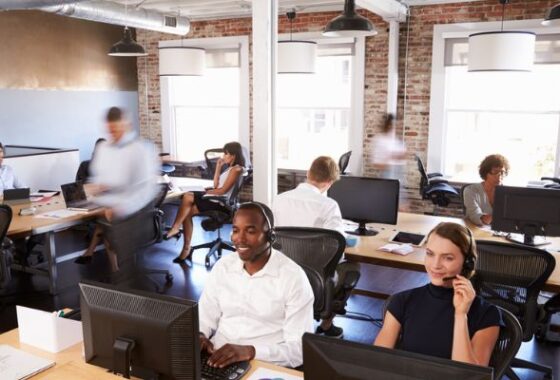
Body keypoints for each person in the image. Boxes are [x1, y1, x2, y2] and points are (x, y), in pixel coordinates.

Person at [198, 202, 314, 369]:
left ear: (270, 237)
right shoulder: (223, 267)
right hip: (217, 359)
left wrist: (250, 351)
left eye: (250, 231)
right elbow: (204, 316)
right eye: (236, 230)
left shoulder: (293, 278)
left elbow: (299, 351)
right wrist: (200, 335)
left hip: (264, 364)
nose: (240, 239)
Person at [374, 222, 503, 366]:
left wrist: (461, 315)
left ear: (467, 263)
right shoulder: (402, 301)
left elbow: (469, 376)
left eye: (447, 258)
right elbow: (378, 364)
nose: (435, 265)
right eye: (430, 254)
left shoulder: (487, 314)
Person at [272, 156, 360, 339]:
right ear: (329, 183)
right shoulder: (329, 206)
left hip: (281, 275)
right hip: (314, 278)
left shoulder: (278, 200)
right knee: (353, 267)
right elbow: (338, 245)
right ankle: (327, 325)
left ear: (308, 174)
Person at [74, 107, 159, 270]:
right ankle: (119, 279)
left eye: (117, 130)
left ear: (126, 125)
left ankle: (130, 288)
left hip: (134, 215)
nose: (114, 134)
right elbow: (100, 180)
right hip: (111, 214)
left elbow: (146, 189)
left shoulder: (140, 149)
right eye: (111, 130)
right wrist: (92, 191)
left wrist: (123, 207)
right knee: (124, 272)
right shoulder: (103, 148)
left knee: (130, 274)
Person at [164, 141, 246, 264]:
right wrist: (218, 167)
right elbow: (216, 185)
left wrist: (207, 193)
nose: (223, 157)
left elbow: (223, 190)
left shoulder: (237, 169)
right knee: (187, 211)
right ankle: (186, 248)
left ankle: (176, 228)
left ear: (233, 155)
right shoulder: (230, 169)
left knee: (187, 196)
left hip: (221, 204)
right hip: (216, 199)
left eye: (226, 154)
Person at [463, 154, 510, 226]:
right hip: (475, 230)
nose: (499, 175)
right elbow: (475, 216)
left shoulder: (508, 193)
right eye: (495, 171)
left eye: (502, 172)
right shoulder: (471, 190)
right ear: (485, 173)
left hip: (499, 232)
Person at [370, 114, 407, 179]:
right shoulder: (380, 139)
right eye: (395, 125)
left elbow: (404, 156)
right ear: (389, 125)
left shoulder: (397, 139)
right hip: (388, 175)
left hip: (399, 174)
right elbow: (376, 162)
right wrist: (391, 159)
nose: (398, 127)